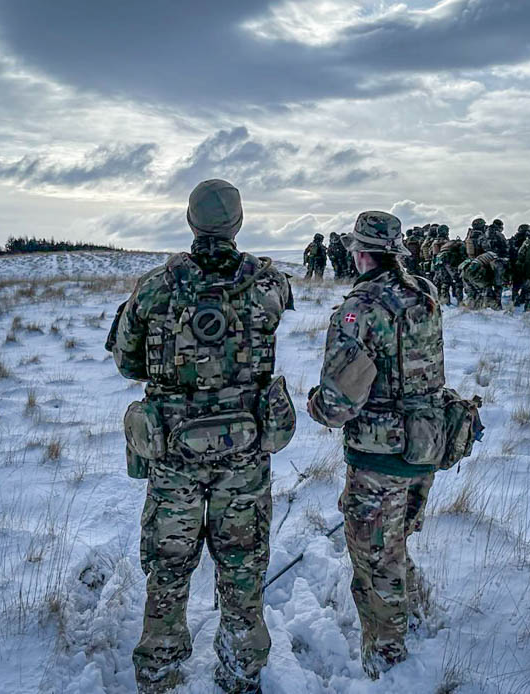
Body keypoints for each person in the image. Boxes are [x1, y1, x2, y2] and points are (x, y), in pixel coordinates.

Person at [109, 179, 295, 694]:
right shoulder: (269, 284)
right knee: (242, 565)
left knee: (168, 569)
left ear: (191, 222)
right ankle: (241, 674)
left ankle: (160, 674)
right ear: (238, 224)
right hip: (245, 458)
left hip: (175, 458)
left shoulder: (153, 287)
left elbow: (127, 362)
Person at [306, 211, 445, 679]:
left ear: (360, 251)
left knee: (372, 560)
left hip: (378, 454)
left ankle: (388, 661)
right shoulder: (424, 293)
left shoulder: (358, 307)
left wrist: (315, 407)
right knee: (397, 541)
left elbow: (338, 403)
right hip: (426, 446)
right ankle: (417, 615)